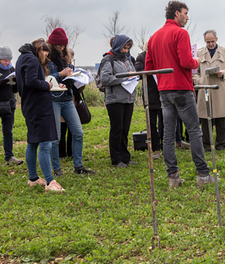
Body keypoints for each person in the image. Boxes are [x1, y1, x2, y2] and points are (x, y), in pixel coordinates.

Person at [145, 0, 214, 188]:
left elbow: (149, 68)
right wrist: (196, 61)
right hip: (182, 89)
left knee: (168, 134)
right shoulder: (180, 33)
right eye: (185, 13)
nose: (187, 17)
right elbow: (186, 62)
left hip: (164, 91)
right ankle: (203, 174)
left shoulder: (153, 37)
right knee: (194, 130)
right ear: (176, 14)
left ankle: (173, 177)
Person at [16, 40, 64, 191]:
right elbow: (31, 81)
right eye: (45, 52)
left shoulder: (21, 58)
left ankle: (33, 178)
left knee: (33, 142)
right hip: (39, 108)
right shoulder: (31, 59)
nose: (46, 55)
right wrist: (47, 85)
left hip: (29, 106)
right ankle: (50, 182)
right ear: (38, 50)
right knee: (45, 143)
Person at [47, 28, 94, 176]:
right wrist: (61, 74)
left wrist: (76, 76)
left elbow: (70, 75)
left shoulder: (66, 58)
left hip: (68, 98)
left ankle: (78, 166)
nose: (61, 48)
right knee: (56, 136)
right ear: (52, 45)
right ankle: (56, 168)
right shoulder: (47, 59)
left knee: (78, 132)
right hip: (54, 99)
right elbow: (46, 78)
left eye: (63, 45)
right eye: (58, 46)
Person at [193, 30, 225, 151]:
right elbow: (194, 72)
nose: (210, 44)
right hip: (204, 88)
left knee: (221, 116)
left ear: (217, 39)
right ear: (204, 41)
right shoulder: (199, 52)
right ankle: (206, 144)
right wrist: (200, 82)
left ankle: (221, 144)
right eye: (208, 42)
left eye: (212, 41)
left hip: (219, 87)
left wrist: (223, 73)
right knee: (205, 117)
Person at [100, 35, 137, 167]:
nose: (126, 50)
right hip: (114, 100)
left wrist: (134, 77)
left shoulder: (127, 59)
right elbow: (105, 79)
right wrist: (123, 79)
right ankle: (116, 159)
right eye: (124, 47)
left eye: (128, 48)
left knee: (125, 129)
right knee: (117, 129)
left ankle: (125, 157)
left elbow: (133, 72)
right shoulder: (108, 60)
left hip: (128, 98)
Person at [135, 41, 164, 160]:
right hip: (150, 94)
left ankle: (165, 145)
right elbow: (139, 73)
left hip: (163, 92)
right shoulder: (141, 57)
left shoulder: (162, 55)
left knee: (165, 121)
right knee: (151, 123)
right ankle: (155, 147)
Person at [0, 47, 23, 165]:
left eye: (9, 60)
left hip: (9, 104)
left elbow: (14, 90)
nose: (7, 62)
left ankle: (9, 157)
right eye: (4, 60)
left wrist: (16, 83)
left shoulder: (12, 69)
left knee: (8, 131)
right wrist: (2, 82)